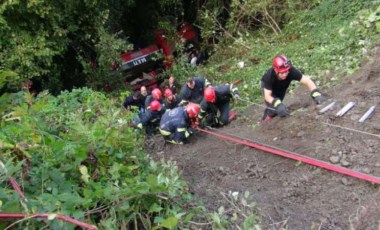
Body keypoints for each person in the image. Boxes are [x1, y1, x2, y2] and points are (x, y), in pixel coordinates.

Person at [261, 54, 326, 123]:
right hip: (268, 89)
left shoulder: (291, 71)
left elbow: (307, 81)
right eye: (282, 73)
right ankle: (265, 121)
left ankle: (276, 112)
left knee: (279, 101)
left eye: (286, 71)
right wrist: (278, 104)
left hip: (282, 86)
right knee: (274, 106)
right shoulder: (269, 77)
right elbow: (267, 96)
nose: (285, 74)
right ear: (276, 70)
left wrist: (315, 93)